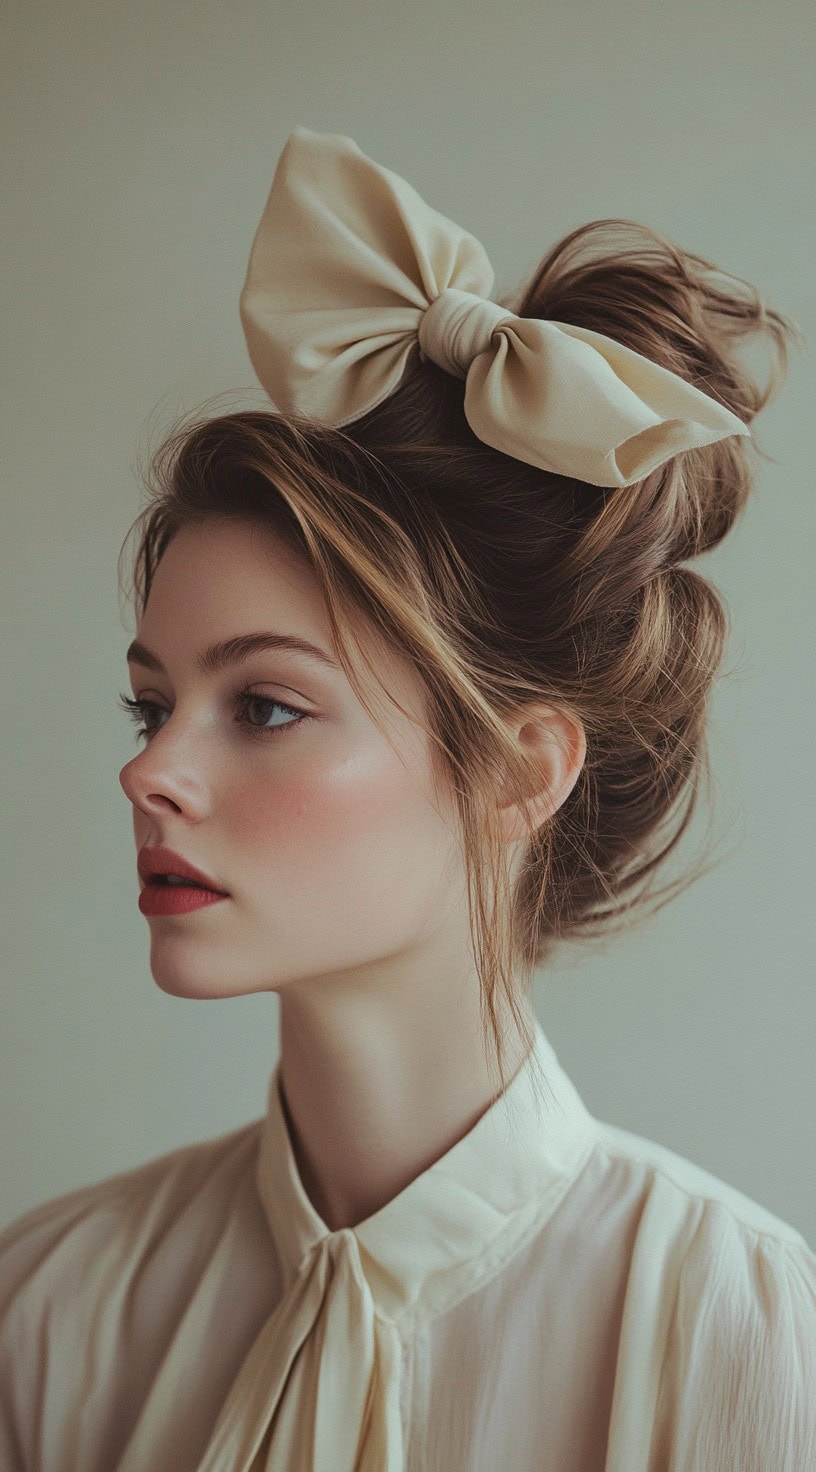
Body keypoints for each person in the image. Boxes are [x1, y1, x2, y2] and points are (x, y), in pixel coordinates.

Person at [1, 126, 814, 1472]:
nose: (149, 771)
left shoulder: (742, 1338)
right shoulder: (50, 1319)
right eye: (153, 705)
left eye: (263, 705)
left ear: (518, 772)